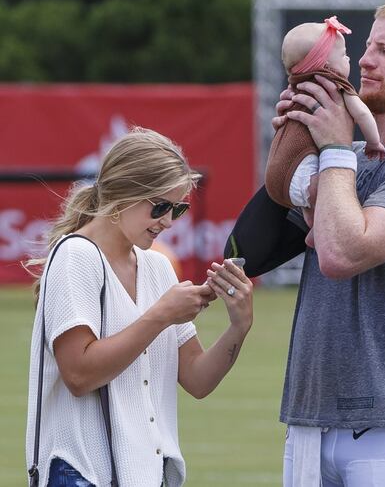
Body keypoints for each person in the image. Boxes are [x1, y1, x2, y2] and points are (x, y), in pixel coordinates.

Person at [225, 0, 385, 486]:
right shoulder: (339, 157)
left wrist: (336, 147)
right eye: (365, 47)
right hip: (308, 415)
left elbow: (341, 254)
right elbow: (244, 249)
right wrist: (289, 150)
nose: (364, 59)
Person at [25, 127, 254, 487]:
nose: (167, 220)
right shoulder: (75, 256)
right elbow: (79, 375)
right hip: (81, 473)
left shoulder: (158, 266)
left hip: (150, 473)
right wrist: (161, 315)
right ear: (122, 193)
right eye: (160, 206)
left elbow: (197, 379)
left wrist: (238, 326)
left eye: (177, 208)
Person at [266, 15, 385, 209]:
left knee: (311, 201)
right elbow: (362, 114)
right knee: (334, 196)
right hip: (304, 173)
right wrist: (374, 142)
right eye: (343, 54)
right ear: (327, 66)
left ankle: (311, 221)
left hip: (277, 173)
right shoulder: (336, 85)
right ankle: (316, 224)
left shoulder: (296, 86)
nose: (349, 58)